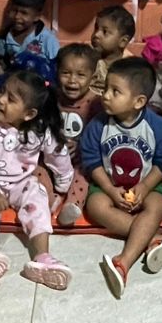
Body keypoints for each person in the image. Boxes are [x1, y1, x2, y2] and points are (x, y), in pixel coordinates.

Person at [0, 70, 74, 295]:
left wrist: (63, 183)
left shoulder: (39, 130)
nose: (0, 99)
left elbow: (57, 154)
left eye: (10, 99)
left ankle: (43, 257)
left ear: (29, 114)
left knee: (38, 196)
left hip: (20, 182)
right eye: (2, 91)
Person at [81, 57, 162, 298]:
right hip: (109, 184)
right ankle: (152, 237)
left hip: (146, 184)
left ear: (139, 101)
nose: (105, 96)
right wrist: (110, 190)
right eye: (106, 89)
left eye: (115, 91)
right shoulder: (98, 125)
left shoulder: (157, 126)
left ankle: (123, 261)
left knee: (159, 205)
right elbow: (92, 161)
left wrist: (145, 186)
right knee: (95, 206)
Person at [51, 43, 100, 227]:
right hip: (52, 156)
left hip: (80, 158)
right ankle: (48, 200)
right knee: (37, 169)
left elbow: (100, 135)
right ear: (57, 73)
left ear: (92, 77)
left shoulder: (97, 103)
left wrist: (81, 146)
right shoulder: (51, 98)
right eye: (66, 73)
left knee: (84, 173)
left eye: (80, 75)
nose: (72, 80)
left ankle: (72, 205)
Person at [0, 0, 60, 80]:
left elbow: (57, 66)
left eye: (24, 13)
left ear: (37, 16)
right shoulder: (6, 36)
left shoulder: (47, 39)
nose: (17, 16)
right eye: (14, 10)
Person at [89, 4, 135, 95]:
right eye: (96, 28)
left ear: (123, 41)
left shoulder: (130, 68)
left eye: (105, 32)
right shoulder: (87, 61)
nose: (96, 35)